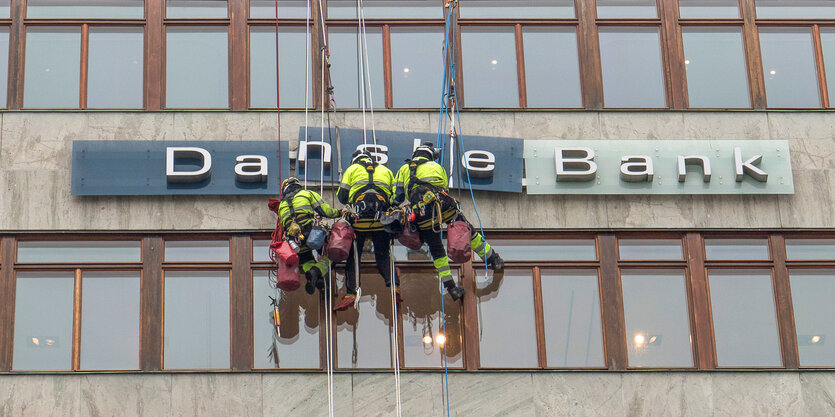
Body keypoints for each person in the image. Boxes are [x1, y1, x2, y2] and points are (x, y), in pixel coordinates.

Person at [392, 142, 504, 301]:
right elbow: (444, 186)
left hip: (420, 212)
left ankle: (451, 288)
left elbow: (398, 196)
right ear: (430, 155)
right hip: (441, 205)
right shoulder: (436, 166)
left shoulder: (404, 169)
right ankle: (493, 259)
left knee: (436, 249)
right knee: (466, 230)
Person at [333, 149, 400, 311]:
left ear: (355, 160)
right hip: (381, 220)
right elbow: (395, 197)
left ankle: (351, 292)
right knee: (383, 255)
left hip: (359, 220)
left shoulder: (352, 169)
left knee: (354, 257)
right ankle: (394, 287)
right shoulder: (385, 170)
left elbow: (342, 196)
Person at [277, 177, 341, 295]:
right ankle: (316, 271)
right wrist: (340, 213)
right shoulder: (307, 194)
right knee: (332, 255)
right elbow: (326, 212)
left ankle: (316, 279)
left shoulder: (282, 205)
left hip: (295, 242)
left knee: (306, 260)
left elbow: (284, 225)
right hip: (312, 235)